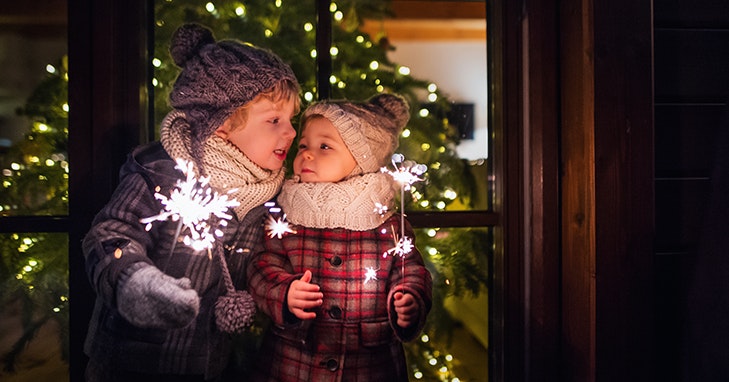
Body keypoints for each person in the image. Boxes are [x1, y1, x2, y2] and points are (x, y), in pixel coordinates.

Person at [81, 23, 300, 382]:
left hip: (211, 364)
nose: (290, 132)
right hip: (133, 365)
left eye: (290, 120)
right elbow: (109, 235)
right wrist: (135, 281)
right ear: (219, 125)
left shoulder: (268, 195)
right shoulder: (163, 174)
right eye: (274, 120)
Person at [246, 93, 433, 381]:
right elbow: (261, 265)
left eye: (325, 146)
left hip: (369, 367)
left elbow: (410, 270)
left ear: (361, 160)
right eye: (304, 145)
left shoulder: (385, 220)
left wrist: (408, 298)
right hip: (293, 364)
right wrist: (284, 293)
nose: (307, 153)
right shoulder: (285, 214)